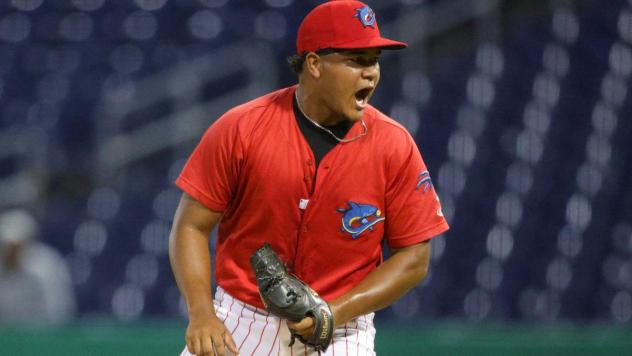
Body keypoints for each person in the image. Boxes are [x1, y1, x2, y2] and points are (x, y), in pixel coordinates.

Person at [169, 1, 449, 355]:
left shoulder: (394, 145)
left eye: (374, 60)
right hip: (240, 321)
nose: (371, 73)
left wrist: (333, 313)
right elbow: (190, 226)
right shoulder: (241, 128)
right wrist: (201, 313)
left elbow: (414, 257)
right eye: (356, 60)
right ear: (314, 63)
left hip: (343, 331)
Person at [0, 209, 76, 325]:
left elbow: (59, 313)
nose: (10, 252)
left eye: (16, 246)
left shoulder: (47, 267)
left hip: (42, 336)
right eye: (6, 246)